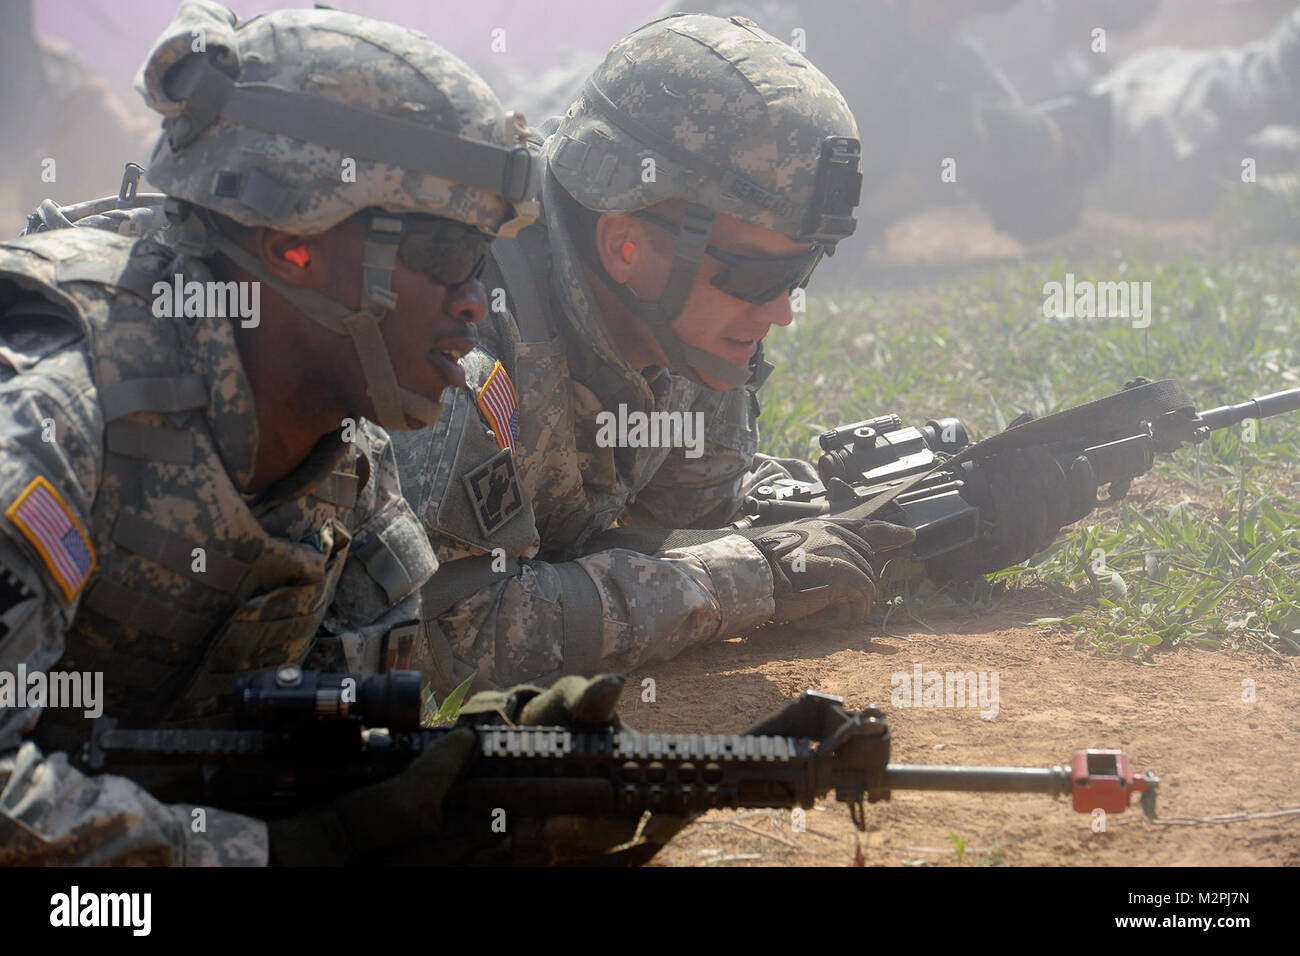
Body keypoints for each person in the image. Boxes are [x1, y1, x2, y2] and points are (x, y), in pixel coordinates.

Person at [0, 1, 549, 866]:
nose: (474, 299)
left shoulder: (347, 460)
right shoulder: (59, 414)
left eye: (481, 262)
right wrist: (278, 854)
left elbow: (332, 739)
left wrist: (483, 784)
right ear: (292, 243)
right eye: (444, 254)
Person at [389, 13, 1080, 699]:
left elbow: (684, 529)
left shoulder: (680, 326)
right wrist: (754, 579)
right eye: (754, 277)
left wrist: (939, 525)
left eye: (799, 272)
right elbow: (459, 637)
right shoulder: (458, 321)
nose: (779, 309)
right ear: (624, 244)